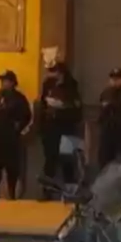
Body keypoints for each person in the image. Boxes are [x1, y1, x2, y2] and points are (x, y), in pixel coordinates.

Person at [36, 61, 82, 197]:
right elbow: (42, 106)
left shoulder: (71, 87)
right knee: (50, 161)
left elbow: (76, 109)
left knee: (67, 160)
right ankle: (47, 192)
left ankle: (70, 192)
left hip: (67, 128)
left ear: (61, 73)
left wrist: (63, 106)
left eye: (54, 71)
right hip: (50, 129)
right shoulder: (48, 85)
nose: (51, 74)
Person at [0, 70, 31, 200]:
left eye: (6, 81)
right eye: (2, 81)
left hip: (11, 139)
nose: (4, 84)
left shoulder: (19, 99)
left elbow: (26, 116)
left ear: (12, 83)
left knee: (12, 169)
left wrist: (18, 126)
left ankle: (11, 194)